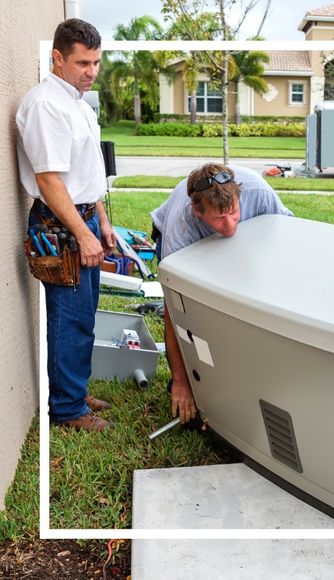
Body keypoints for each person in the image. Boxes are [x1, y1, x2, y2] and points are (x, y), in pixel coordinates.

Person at [16, 19, 116, 432]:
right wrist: (82, 231)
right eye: (82, 62)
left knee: (85, 315)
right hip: (60, 223)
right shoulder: (46, 105)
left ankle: (74, 390)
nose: (91, 71)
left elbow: (85, 174)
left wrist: (103, 222)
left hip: (83, 217)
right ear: (57, 58)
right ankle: (68, 410)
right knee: (68, 318)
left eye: (96, 62)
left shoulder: (76, 101)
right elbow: (50, 181)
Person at [150, 163, 293, 424]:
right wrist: (181, 383)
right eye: (219, 218)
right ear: (197, 211)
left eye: (233, 213)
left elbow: (286, 242)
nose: (229, 225)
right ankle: (191, 382)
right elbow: (173, 310)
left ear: (240, 198)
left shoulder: (258, 192)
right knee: (196, 313)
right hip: (188, 246)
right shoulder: (181, 225)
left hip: (246, 242)